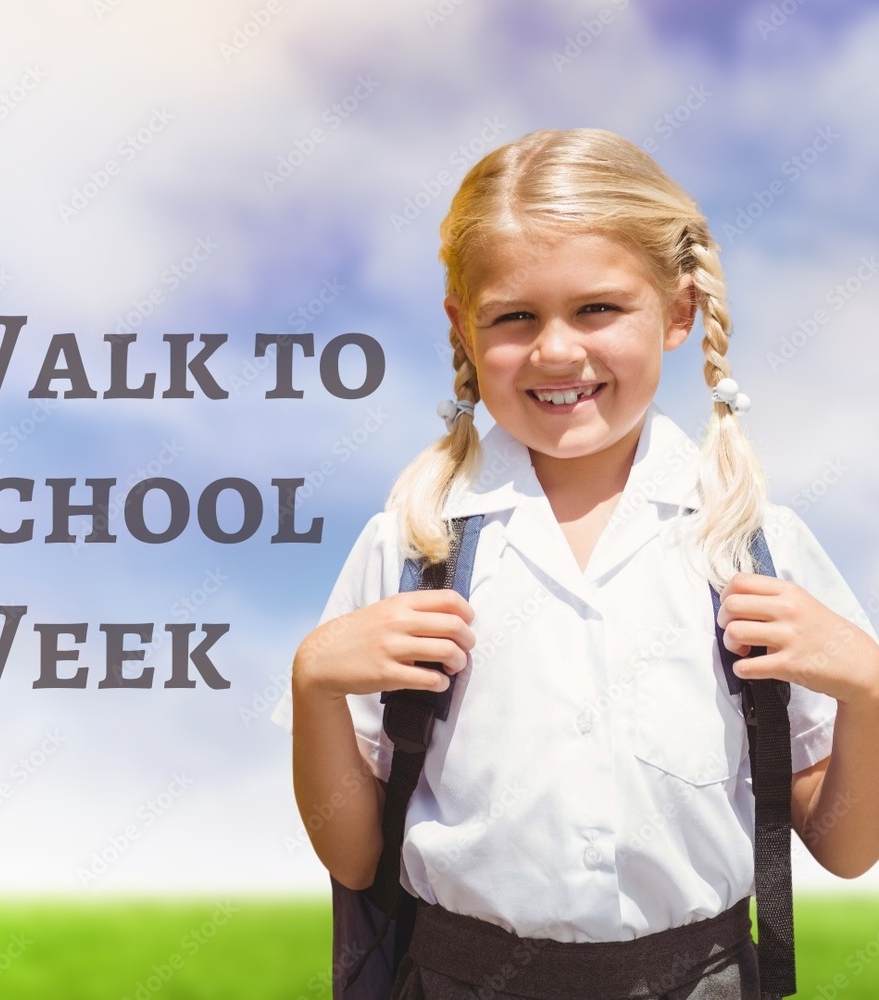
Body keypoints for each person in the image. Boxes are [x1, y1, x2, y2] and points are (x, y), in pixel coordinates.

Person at [273, 128, 879, 999]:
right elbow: (356, 856)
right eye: (515, 317)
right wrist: (313, 684)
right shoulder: (415, 548)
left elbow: (848, 849)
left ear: (679, 313)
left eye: (597, 309)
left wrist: (867, 687)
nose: (557, 351)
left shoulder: (751, 546)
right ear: (463, 327)